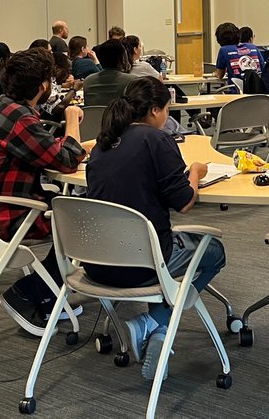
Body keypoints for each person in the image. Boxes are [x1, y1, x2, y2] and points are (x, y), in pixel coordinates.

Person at [83, 78, 224, 380]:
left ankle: (158, 332)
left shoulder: (103, 141)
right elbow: (184, 202)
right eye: (167, 112)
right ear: (155, 110)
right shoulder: (157, 140)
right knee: (213, 250)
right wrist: (196, 172)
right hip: (141, 263)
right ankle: (152, 321)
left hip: (94, 262)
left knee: (155, 244)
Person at [0, 47, 85, 333]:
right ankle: (32, 292)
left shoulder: (1, 106)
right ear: (43, 86)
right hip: (4, 219)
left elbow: (46, 151)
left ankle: (50, 293)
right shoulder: (21, 120)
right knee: (84, 218)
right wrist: (73, 121)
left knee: (67, 205)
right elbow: (65, 161)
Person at [81, 40, 136, 106]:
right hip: (120, 116)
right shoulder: (132, 81)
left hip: (93, 116)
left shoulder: (88, 81)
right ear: (122, 58)